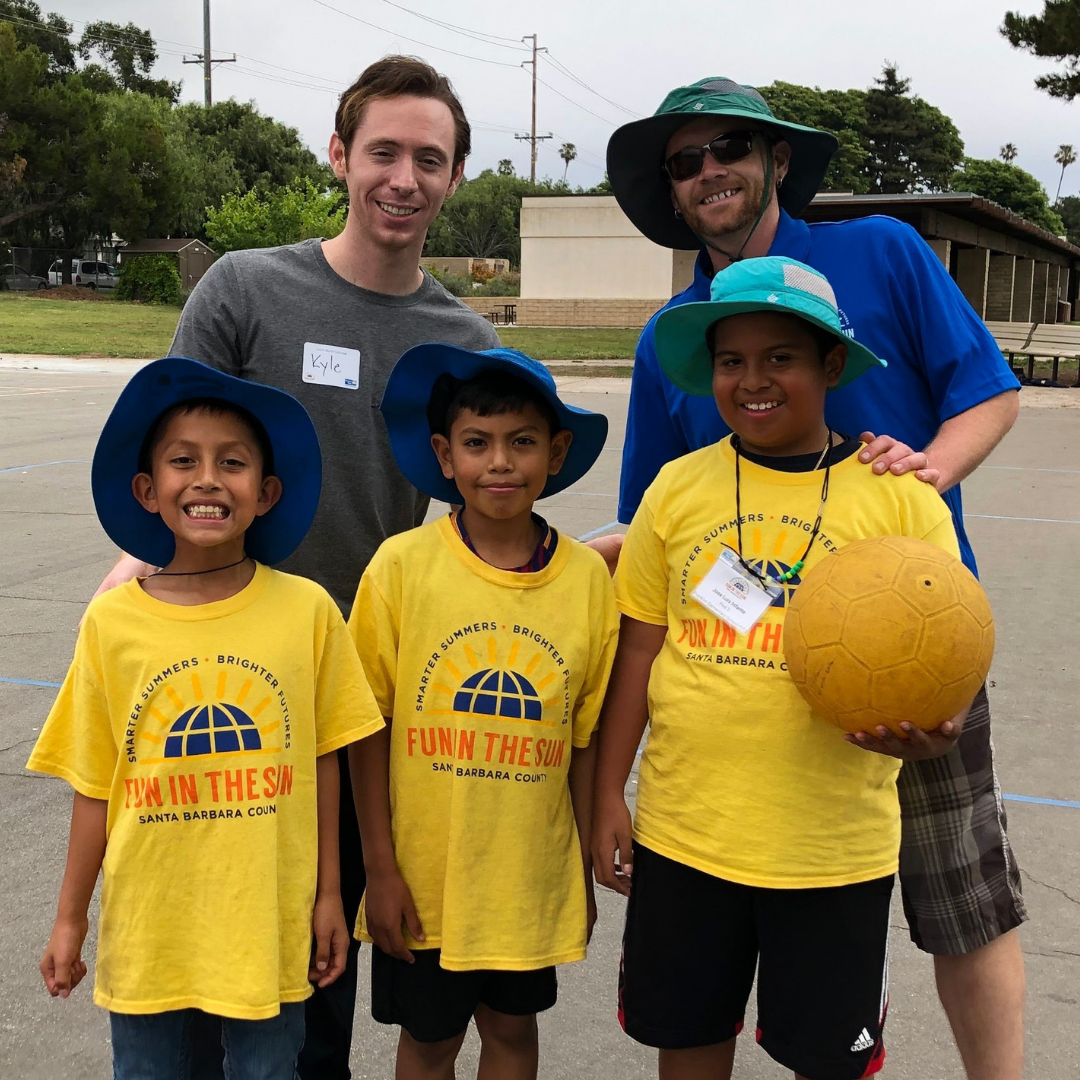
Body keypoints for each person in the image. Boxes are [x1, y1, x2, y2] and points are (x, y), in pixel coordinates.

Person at [85, 56, 502, 1079]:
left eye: (430, 160)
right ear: (340, 155)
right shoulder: (246, 288)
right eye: (385, 153)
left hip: (360, 709)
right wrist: (129, 569)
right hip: (227, 682)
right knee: (195, 978)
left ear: (455, 178)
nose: (405, 179)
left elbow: (476, 536)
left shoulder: (464, 341)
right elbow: (172, 450)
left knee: (313, 989)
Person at [606, 77, 1025, 1080]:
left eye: (731, 148)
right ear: (671, 189)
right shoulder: (675, 331)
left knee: (965, 901)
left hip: (910, 643)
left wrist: (926, 470)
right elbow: (649, 521)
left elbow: (990, 396)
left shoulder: (882, 250)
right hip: (746, 691)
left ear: (778, 158)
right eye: (686, 161)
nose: (711, 171)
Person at [30, 358, 386, 1080]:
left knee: (267, 1070)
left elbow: (323, 764)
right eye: (182, 461)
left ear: (266, 492)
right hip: (150, 926)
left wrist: (329, 896)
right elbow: (94, 784)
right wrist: (70, 918)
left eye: (233, 462)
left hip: (267, 923)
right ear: (147, 489)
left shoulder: (308, 612)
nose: (207, 479)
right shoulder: (111, 623)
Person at [347, 345, 618, 1080]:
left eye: (522, 442)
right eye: (477, 443)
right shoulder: (401, 568)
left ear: (556, 452)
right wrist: (380, 867)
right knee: (429, 1043)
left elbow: (583, 739)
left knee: (511, 1033)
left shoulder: (589, 581)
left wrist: (582, 871)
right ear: (444, 455)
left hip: (527, 877)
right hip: (425, 876)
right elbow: (363, 728)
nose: (500, 463)